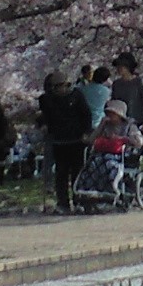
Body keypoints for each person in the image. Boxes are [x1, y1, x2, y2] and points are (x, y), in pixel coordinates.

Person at [39, 72, 94, 212]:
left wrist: (86, 132)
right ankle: (62, 202)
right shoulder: (47, 99)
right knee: (61, 173)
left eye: (66, 85)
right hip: (59, 140)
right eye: (59, 86)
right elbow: (44, 116)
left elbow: (86, 114)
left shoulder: (76, 95)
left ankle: (79, 200)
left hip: (76, 139)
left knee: (78, 171)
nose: (63, 89)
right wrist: (44, 125)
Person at [108, 55, 143, 131]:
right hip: (120, 124)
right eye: (118, 66)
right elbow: (114, 103)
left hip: (137, 122)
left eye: (122, 66)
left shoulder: (139, 82)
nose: (119, 68)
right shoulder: (116, 84)